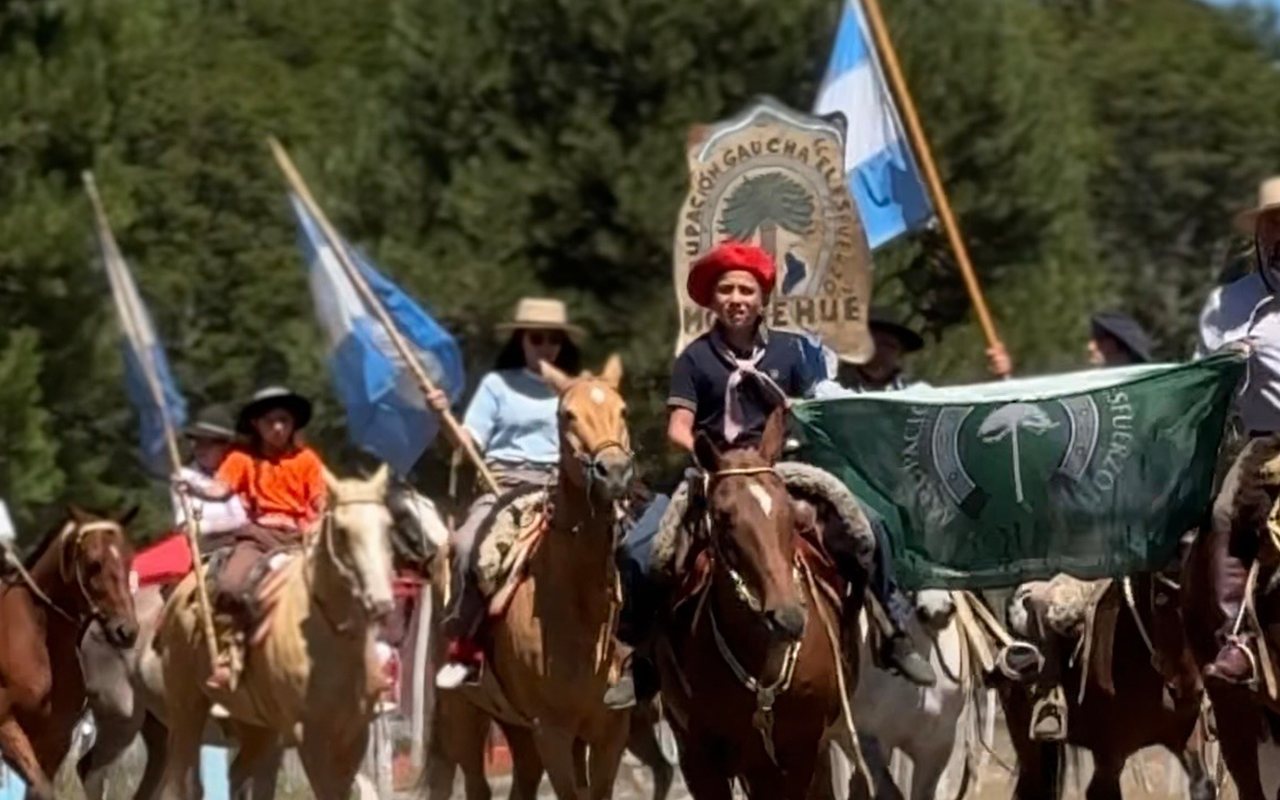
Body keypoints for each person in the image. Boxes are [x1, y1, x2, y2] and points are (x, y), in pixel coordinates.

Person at [660, 241, 936, 685]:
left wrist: (804, 408)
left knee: (871, 526)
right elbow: (678, 425)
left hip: (782, 467)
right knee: (644, 547)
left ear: (762, 298)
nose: (737, 299)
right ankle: (641, 656)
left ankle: (894, 632)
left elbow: (817, 405)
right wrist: (707, 457)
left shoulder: (791, 352)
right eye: (726, 289)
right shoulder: (694, 358)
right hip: (717, 470)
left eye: (746, 291)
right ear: (712, 299)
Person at [427, 297, 583, 689]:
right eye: (536, 338)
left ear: (562, 344)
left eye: (553, 339)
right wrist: (442, 416)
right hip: (503, 483)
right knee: (466, 547)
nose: (545, 346)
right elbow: (468, 442)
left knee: (624, 546)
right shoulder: (498, 385)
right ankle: (466, 650)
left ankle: (631, 655)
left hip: (559, 487)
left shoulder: (575, 388)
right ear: (521, 340)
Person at [174, 386, 327, 691]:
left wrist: (317, 523)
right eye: (270, 421)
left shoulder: (308, 460)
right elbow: (220, 489)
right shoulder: (241, 459)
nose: (278, 428)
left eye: (284, 420)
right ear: (257, 425)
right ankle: (231, 653)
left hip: (301, 539)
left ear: (293, 423)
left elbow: (320, 502)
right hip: (257, 536)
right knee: (230, 585)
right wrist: (193, 489)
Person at [1195, 176, 1280, 685]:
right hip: (1267, 440)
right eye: (1272, 224)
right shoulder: (1230, 304)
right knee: (1227, 510)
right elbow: (1199, 383)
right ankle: (1238, 637)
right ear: (1259, 236)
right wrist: (1223, 366)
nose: (1279, 235)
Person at [171, 405, 248, 549]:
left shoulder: (244, 469)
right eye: (197, 442)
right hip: (210, 550)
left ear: (226, 445)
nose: (200, 449)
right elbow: (189, 527)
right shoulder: (184, 478)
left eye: (209, 443)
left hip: (253, 543)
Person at [986, 311, 1153, 377]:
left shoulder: (1148, 397)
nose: (1090, 347)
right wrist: (1006, 374)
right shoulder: (1084, 389)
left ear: (1119, 346)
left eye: (1101, 340)